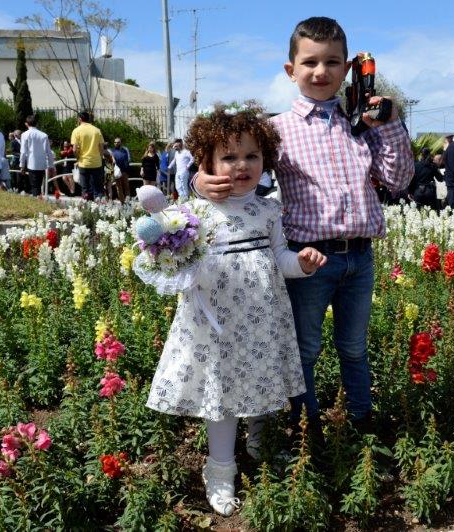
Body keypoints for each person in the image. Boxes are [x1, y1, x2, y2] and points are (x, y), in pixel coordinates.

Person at [194, 17, 413, 437]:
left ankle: (361, 424)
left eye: (332, 62)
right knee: (304, 350)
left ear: (347, 69)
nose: (320, 71)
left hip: (360, 257)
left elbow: (398, 179)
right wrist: (200, 182)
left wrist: (390, 122)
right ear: (290, 70)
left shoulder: (362, 126)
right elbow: (233, 164)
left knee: (354, 348)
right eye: (309, 62)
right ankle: (305, 431)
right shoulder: (277, 130)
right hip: (308, 259)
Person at [146, 105, 326, 516]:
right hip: (216, 322)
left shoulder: (269, 210)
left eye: (251, 156)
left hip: (262, 317)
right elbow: (170, 250)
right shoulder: (197, 211)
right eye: (228, 156)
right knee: (221, 393)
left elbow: (279, 257)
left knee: (262, 381)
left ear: (266, 160)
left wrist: (302, 263)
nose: (241, 165)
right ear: (206, 163)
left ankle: (261, 445)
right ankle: (221, 469)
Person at [70, 111, 105, 200]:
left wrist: (78, 158)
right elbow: (101, 148)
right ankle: (99, 205)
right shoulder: (97, 130)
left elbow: (74, 149)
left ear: (80, 119)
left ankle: (87, 205)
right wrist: (100, 157)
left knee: (85, 190)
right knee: (98, 189)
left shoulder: (76, 131)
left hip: (83, 163)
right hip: (96, 163)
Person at [20, 114, 56, 197]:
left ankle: (37, 200)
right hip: (42, 164)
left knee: (34, 186)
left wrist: (22, 165)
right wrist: (51, 165)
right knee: (38, 185)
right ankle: (38, 198)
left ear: (26, 124)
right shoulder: (44, 135)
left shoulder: (25, 134)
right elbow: (49, 152)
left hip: (32, 164)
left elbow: (23, 152)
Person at [110, 138, 131, 203]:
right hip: (117, 173)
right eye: (115, 142)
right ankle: (122, 202)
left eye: (118, 142)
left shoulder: (125, 150)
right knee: (119, 188)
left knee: (126, 186)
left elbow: (129, 159)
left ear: (120, 142)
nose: (116, 143)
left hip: (125, 171)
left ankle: (128, 201)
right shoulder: (112, 151)